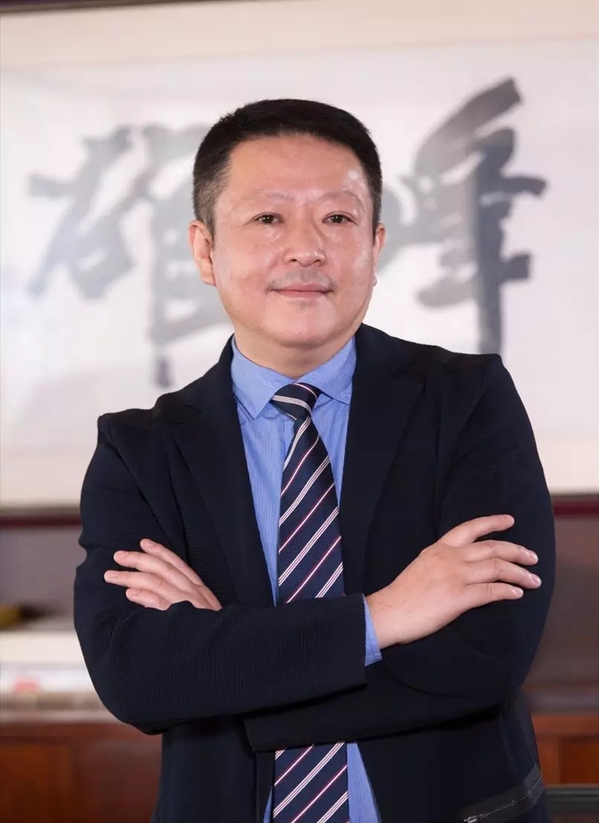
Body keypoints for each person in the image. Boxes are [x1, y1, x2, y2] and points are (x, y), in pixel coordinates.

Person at [74, 99, 555, 823]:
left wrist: (229, 665)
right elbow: (138, 679)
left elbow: (487, 657)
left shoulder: (466, 401)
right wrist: (383, 616)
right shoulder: (141, 450)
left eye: (336, 217)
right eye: (268, 218)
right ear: (204, 250)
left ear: (375, 244)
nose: (305, 248)